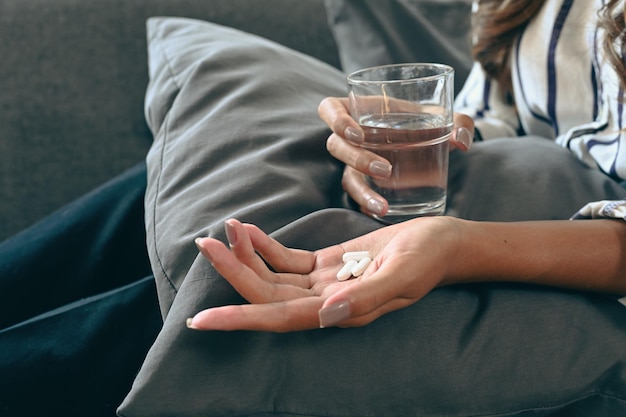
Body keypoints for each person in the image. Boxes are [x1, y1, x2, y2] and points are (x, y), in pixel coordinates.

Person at [187, 0, 626, 332]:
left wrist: (460, 247)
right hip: (468, 200)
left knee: (185, 300)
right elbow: (505, 113)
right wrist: (417, 132)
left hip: (574, 264)